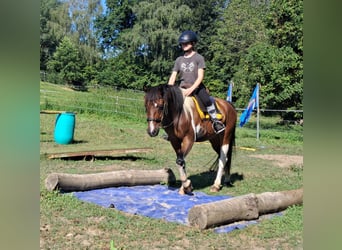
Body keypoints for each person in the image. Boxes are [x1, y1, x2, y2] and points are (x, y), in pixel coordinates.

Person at [168, 30, 225, 134]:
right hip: (182, 88)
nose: (183, 45)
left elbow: (200, 77)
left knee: (207, 100)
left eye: (186, 43)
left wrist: (191, 89)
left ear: (193, 43)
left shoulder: (199, 58)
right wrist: (168, 90)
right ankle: (172, 127)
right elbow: (173, 76)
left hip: (197, 87)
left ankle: (216, 121)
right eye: (182, 43)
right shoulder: (179, 60)